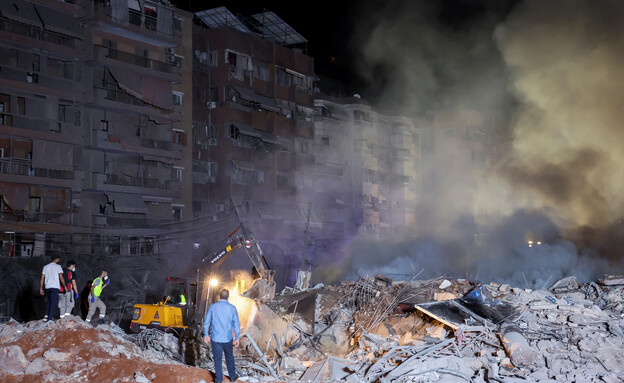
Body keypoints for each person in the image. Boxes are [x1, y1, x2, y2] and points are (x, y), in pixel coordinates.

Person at [203, 289, 240, 383]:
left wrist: (206, 335)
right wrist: (237, 338)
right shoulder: (232, 308)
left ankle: (218, 379)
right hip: (228, 338)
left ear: (219, 296)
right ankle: (232, 377)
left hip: (216, 339)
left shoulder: (212, 307)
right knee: (229, 357)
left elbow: (207, 322)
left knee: (217, 359)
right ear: (228, 296)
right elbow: (236, 324)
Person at [39, 254, 66, 322]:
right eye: (58, 259)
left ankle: (46, 315)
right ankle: (50, 319)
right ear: (56, 259)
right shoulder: (58, 266)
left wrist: (41, 288)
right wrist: (64, 286)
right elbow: (61, 277)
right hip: (55, 287)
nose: (59, 260)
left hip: (47, 287)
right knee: (53, 303)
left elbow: (42, 278)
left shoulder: (45, 267)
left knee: (49, 301)